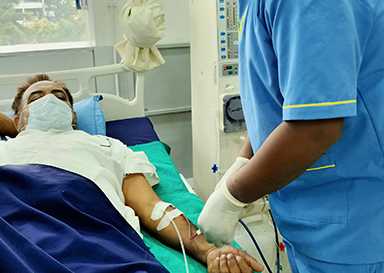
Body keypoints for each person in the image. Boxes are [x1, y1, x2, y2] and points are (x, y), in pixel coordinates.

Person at [154, 0, 384, 272]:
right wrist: (241, 164)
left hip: (361, 222)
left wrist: (234, 196)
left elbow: (315, 125)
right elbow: (284, 99)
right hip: (323, 218)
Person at [0, 74, 263, 273]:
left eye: (59, 96)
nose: (49, 99)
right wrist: (20, 131)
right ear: (16, 119)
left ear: (73, 114)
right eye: (36, 99)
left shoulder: (110, 146)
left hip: (90, 228)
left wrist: (208, 252)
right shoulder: (6, 147)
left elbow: (151, 207)